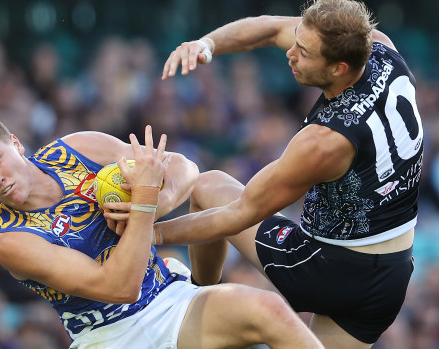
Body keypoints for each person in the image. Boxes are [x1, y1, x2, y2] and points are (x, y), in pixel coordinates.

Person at [136, 0, 421, 348]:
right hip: (391, 277)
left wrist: (148, 233)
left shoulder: (324, 142)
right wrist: (206, 44)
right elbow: (270, 28)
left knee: (208, 186)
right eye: (296, 41)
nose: (290, 54)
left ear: (338, 68)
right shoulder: (380, 48)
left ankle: (196, 306)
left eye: (303, 51)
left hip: (328, 271)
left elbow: (236, 214)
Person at [0, 103, 324, 349]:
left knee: (265, 303)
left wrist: (160, 202)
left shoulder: (77, 148)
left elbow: (185, 168)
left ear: (16, 144)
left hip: (166, 297)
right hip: (113, 334)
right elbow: (120, 288)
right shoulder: (12, 241)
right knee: (261, 308)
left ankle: (303, 273)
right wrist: (144, 204)